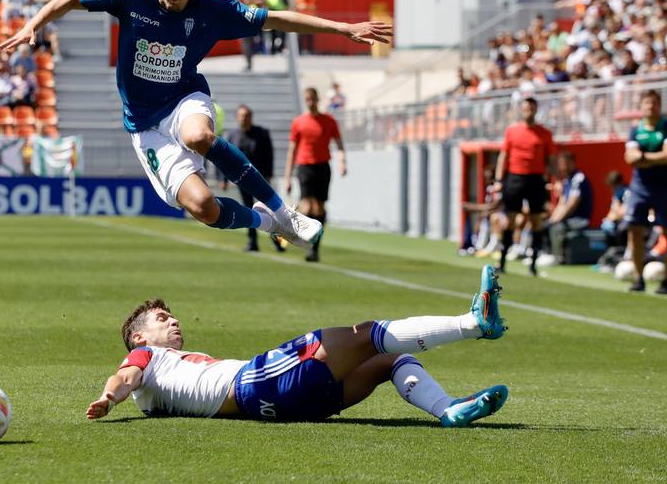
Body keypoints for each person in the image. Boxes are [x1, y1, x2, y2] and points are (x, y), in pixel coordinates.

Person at [0, 0, 390, 246]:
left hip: (185, 98)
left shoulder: (215, 9)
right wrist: (33, 25)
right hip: (146, 126)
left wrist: (344, 28)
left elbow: (278, 19)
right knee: (204, 208)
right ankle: (270, 224)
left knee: (199, 135)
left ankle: (285, 211)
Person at [87, 267, 509, 426]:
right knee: (367, 334)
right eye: (162, 319)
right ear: (139, 337)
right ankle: (473, 323)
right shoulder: (146, 357)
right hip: (257, 384)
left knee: (389, 360)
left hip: (286, 407)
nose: (174, 320)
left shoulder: (161, 388)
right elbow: (125, 376)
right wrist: (108, 397)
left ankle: (449, 410)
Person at [624, 89, 667, 295]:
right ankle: (639, 279)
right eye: (647, 103)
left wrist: (643, 158)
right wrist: (655, 157)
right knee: (635, 230)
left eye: (654, 103)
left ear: (660, 106)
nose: (650, 106)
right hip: (640, 187)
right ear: (641, 107)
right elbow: (630, 158)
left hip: (665, 186)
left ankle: (666, 281)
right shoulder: (634, 130)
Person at [283, 86, 347, 262]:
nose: (310, 103)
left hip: (322, 166)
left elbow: (339, 143)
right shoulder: (299, 122)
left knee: (319, 207)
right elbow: (292, 150)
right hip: (304, 166)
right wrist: (288, 177)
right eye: (307, 100)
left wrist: (343, 161)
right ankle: (299, 237)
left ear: (318, 99)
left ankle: (315, 247)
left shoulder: (328, 120)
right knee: (307, 206)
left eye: (313, 99)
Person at [495, 96, 555, 276]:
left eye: (532, 108)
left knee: (536, 221)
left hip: (536, 179)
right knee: (510, 220)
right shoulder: (512, 131)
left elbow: (550, 159)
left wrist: (554, 179)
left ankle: (533, 263)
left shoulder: (544, 133)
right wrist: (499, 180)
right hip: (515, 178)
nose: (529, 111)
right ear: (522, 110)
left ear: (536, 110)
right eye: (526, 108)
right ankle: (502, 260)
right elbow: (503, 156)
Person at [227, 104, 281, 254]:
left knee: (268, 210)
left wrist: (269, 174)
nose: (244, 118)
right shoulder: (233, 136)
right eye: (242, 115)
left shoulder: (262, 133)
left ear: (251, 117)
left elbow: (269, 155)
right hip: (241, 180)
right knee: (248, 209)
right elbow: (226, 158)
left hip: (260, 179)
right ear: (237, 117)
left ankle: (278, 241)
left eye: (247, 115)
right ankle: (253, 241)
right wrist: (223, 178)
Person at [544, 151, 592, 264]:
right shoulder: (567, 180)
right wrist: (552, 220)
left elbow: (571, 204)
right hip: (569, 219)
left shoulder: (578, 178)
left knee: (556, 227)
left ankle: (557, 257)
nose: (561, 167)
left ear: (571, 163)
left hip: (580, 219)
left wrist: (556, 221)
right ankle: (546, 253)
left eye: (563, 164)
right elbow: (562, 204)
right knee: (548, 224)